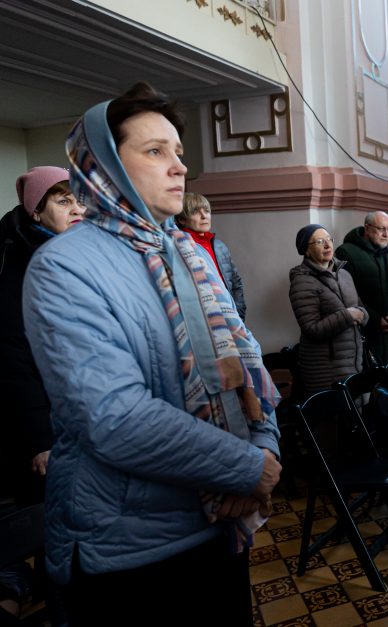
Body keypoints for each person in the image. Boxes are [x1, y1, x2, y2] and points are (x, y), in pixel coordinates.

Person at [22, 82, 281, 626]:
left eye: (179, 153)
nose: (179, 167)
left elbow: (248, 362)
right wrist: (246, 467)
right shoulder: (62, 266)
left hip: (222, 524)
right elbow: (115, 418)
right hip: (133, 549)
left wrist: (263, 446)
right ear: (105, 166)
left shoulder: (188, 254)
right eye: (155, 151)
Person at [0, 166, 84, 623]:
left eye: (77, 200)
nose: (76, 209)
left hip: (74, 419)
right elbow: (13, 359)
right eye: (62, 201)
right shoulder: (21, 261)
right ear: (36, 209)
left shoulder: (66, 253)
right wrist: (40, 439)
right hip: (45, 429)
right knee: (59, 542)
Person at [289, 223, 368, 393]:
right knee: (333, 417)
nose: (327, 245)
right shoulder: (302, 281)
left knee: (356, 415)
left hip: (353, 361)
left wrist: (363, 315)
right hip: (325, 368)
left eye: (329, 239)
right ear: (307, 250)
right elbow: (312, 329)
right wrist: (348, 316)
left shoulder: (344, 274)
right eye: (319, 241)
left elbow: (360, 308)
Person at [335, 211, 388, 365]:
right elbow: (347, 294)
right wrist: (376, 320)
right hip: (364, 330)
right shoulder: (346, 252)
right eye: (381, 229)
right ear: (367, 228)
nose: (386, 234)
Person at [175, 192, 247, 320]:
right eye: (196, 212)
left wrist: (238, 314)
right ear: (181, 219)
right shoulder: (177, 247)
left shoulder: (220, 246)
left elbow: (236, 284)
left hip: (230, 316)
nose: (204, 216)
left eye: (207, 211)